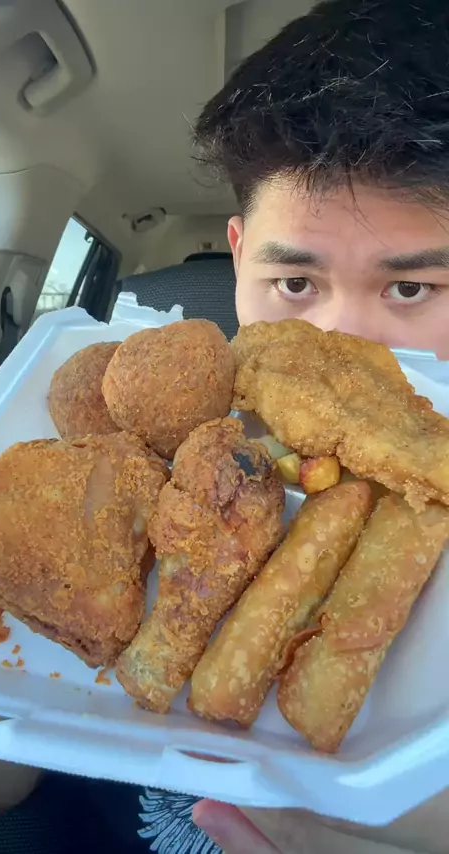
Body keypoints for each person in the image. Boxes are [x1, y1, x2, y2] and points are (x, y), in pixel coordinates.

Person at [187, 0, 449, 850]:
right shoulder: (175, 435)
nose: (343, 345)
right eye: (295, 284)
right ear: (238, 257)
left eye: (410, 289)